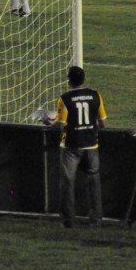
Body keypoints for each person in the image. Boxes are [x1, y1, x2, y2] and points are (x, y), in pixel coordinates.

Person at [44, 65, 107, 228]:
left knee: (67, 182)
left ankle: (68, 220)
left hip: (71, 147)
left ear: (69, 80)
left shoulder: (65, 98)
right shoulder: (96, 95)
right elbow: (103, 123)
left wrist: (48, 122)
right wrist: (88, 128)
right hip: (91, 145)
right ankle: (96, 219)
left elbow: (60, 126)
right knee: (94, 180)